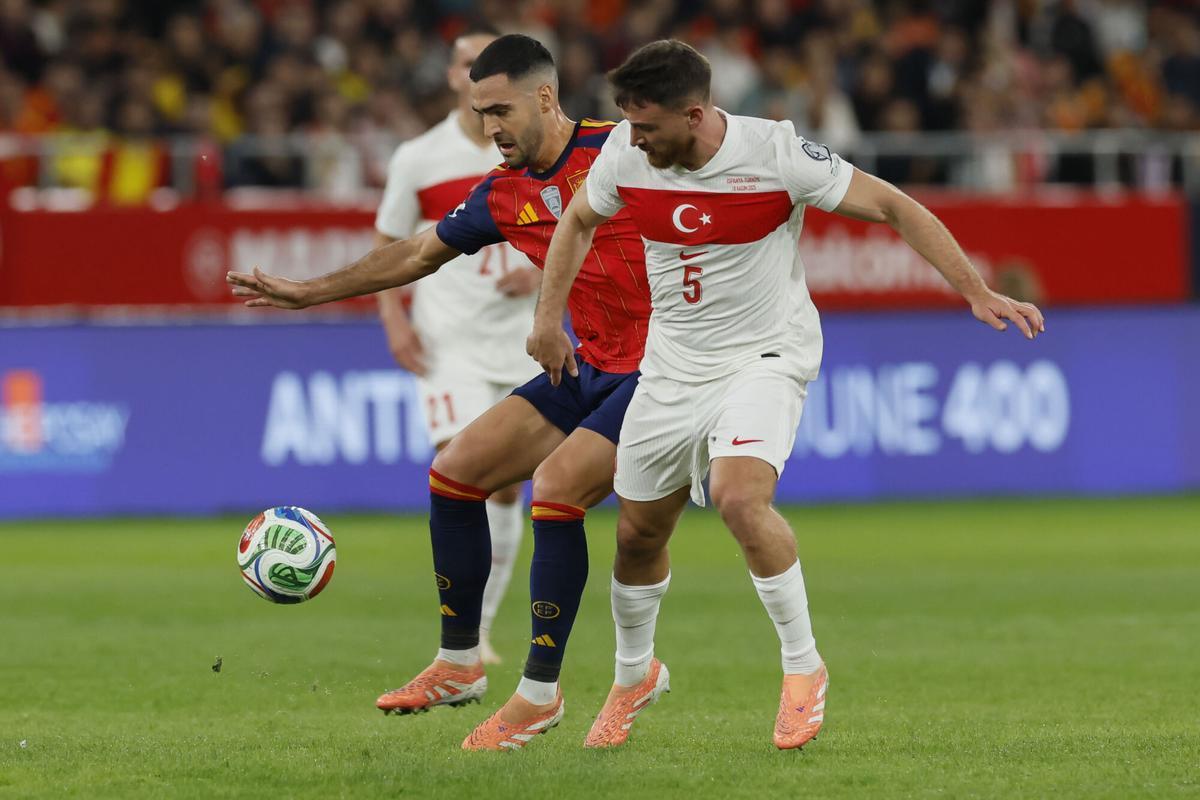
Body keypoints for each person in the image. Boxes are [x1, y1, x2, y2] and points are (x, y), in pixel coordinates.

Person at [526, 39, 1045, 751]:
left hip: (764, 355)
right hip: (672, 367)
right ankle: (633, 676)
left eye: (647, 126)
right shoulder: (624, 154)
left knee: (740, 496)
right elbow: (579, 220)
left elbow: (892, 206)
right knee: (637, 533)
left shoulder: (776, 154)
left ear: (696, 114)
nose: (633, 139)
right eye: (629, 123)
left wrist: (974, 289)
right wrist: (546, 319)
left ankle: (803, 668)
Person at [227, 34, 653, 751]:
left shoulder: (625, 150)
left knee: (555, 490)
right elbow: (418, 252)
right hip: (590, 365)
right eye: (480, 112)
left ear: (545, 97)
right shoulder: (504, 191)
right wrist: (311, 292)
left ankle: (539, 694)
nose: (490, 128)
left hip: (665, 371)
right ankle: (460, 665)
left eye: (501, 110)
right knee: (456, 472)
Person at [373, 27, 542, 665]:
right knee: (461, 469)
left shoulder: (530, 151)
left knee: (504, 490)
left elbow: (581, 231)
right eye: (469, 65)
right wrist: (395, 320)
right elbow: (390, 243)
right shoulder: (419, 158)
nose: (480, 76)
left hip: (524, 341)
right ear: (452, 77)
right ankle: (465, 636)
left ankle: (482, 630)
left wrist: (543, 267)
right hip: (450, 341)